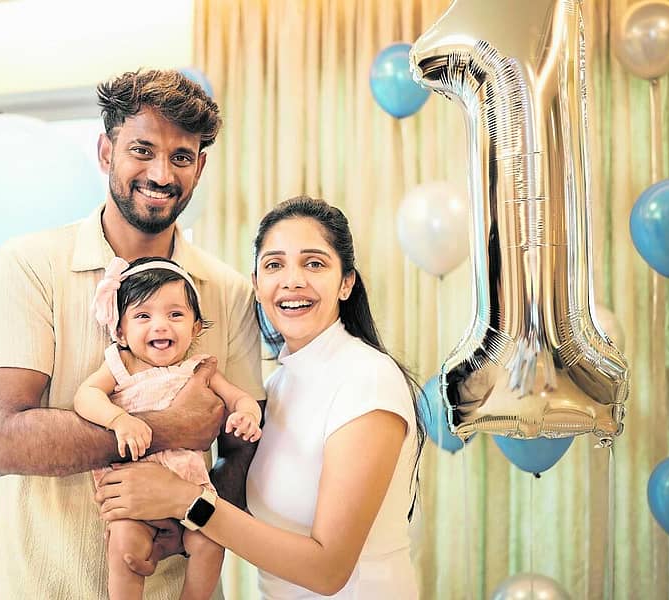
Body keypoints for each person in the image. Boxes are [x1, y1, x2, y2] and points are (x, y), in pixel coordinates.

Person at [0, 69, 265, 600]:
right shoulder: (27, 266)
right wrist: (170, 427)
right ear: (106, 152)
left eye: (181, 157)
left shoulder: (228, 290)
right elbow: (2, 440)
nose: (161, 173)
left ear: (199, 168)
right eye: (142, 150)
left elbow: (242, 452)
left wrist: (192, 519)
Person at [96, 196, 426, 599]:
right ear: (256, 284)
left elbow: (328, 570)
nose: (292, 281)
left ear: (346, 283)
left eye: (314, 263)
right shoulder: (278, 386)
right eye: (274, 265)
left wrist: (186, 500)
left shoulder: (367, 379)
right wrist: (170, 529)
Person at [76, 256, 263, 599]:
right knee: (126, 546)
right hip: (131, 489)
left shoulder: (199, 369)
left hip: (190, 487)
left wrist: (246, 415)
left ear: (195, 327)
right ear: (120, 330)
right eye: (143, 316)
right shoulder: (121, 365)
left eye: (175, 315)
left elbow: (240, 398)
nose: (161, 326)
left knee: (210, 542)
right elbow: (85, 396)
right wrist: (118, 420)